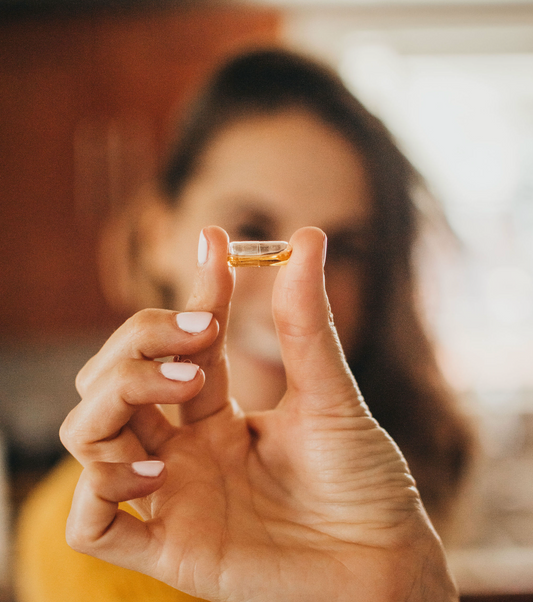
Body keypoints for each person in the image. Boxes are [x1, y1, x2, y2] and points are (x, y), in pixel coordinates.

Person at [16, 48, 471, 602]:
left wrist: (400, 588)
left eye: (344, 249)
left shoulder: (394, 485)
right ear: (157, 234)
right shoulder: (87, 538)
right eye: (251, 226)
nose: (297, 293)